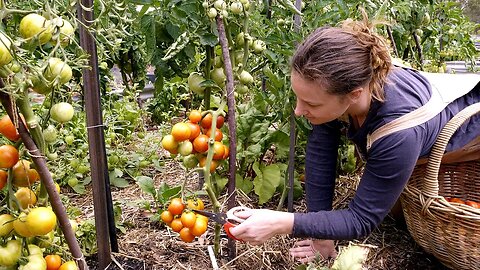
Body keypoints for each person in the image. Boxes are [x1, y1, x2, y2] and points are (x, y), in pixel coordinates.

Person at [228, 12, 480, 263]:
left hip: (470, 132)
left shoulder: (398, 132)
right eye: (298, 97)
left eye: (310, 104)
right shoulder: (345, 81)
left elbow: (360, 220)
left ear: (353, 94)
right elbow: (321, 151)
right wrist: (321, 237)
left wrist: (280, 222)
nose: (298, 110)